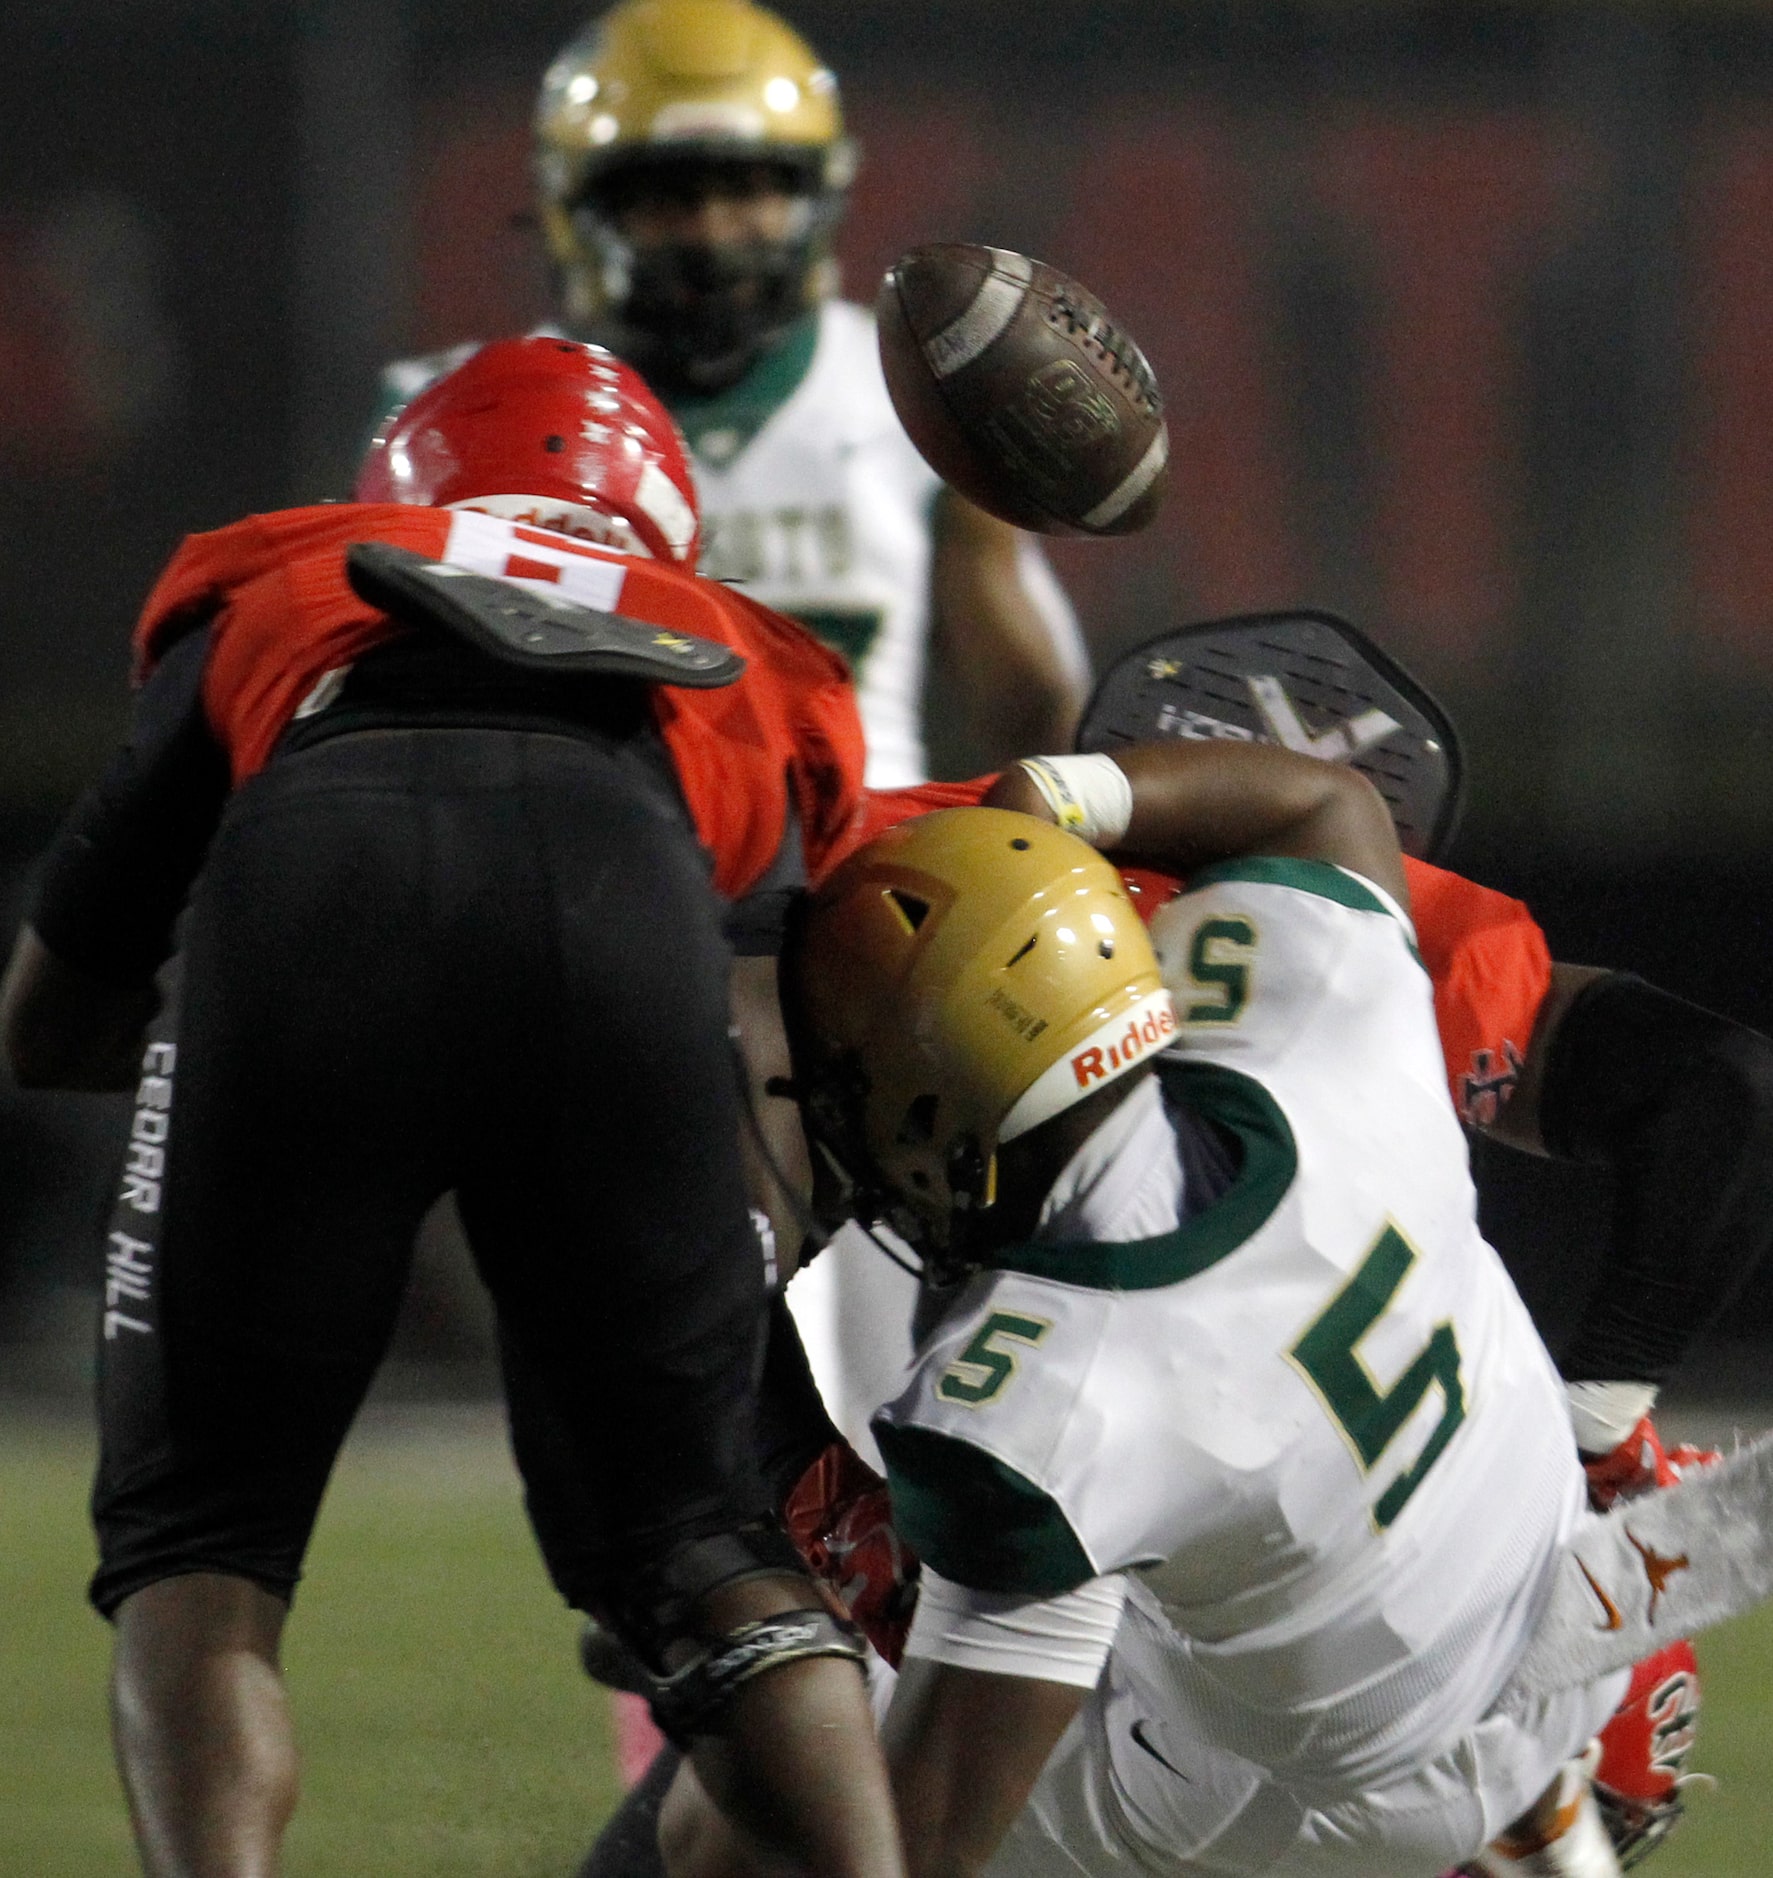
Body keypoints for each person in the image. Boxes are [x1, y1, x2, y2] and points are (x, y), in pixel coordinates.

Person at [0, 336, 907, 1878]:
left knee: (197, 1543)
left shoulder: (290, 576)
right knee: (704, 1548)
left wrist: (259, 1084)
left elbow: (46, 1018)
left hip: (317, 872)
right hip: (629, 911)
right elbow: (755, 1039)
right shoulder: (751, 651)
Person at [662, 740, 1693, 1878]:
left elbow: (914, 1849)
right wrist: (1059, 797)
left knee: (747, 1823)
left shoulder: (1053, 1387)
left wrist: (755, 1437)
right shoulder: (1318, 1022)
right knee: (1169, 1532)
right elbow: (1327, 800)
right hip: (1557, 1586)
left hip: (1347, 1782)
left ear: (933, 1095)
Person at [377, 0, 1088, 788]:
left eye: (750, 189)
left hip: (859, 879)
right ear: (576, 207)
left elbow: (1037, 708)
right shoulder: (452, 416)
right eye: (669, 196)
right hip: (592, 859)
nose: (712, 233)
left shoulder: (908, 395)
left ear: (819, 196)